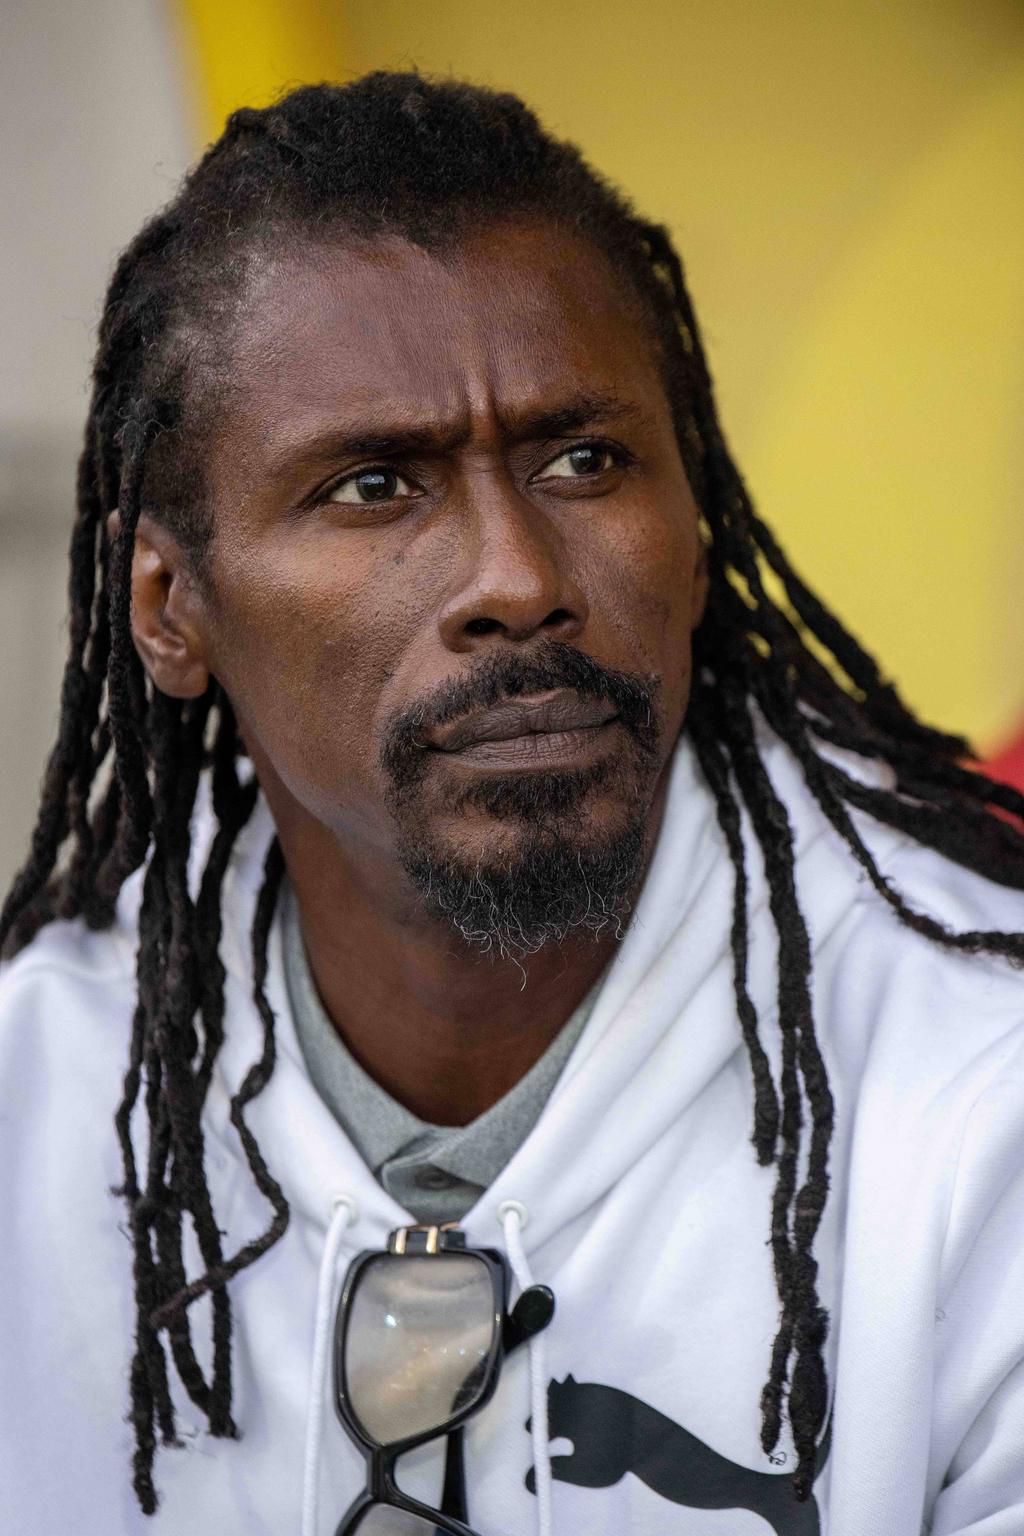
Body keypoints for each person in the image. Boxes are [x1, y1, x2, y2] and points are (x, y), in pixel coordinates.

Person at [1, 72, 1023, 1536]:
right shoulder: (33, 1105)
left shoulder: (983, 1106)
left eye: (584, 459)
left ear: (697, 527)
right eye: (371, 486)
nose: (517, 579)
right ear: (168, 606)